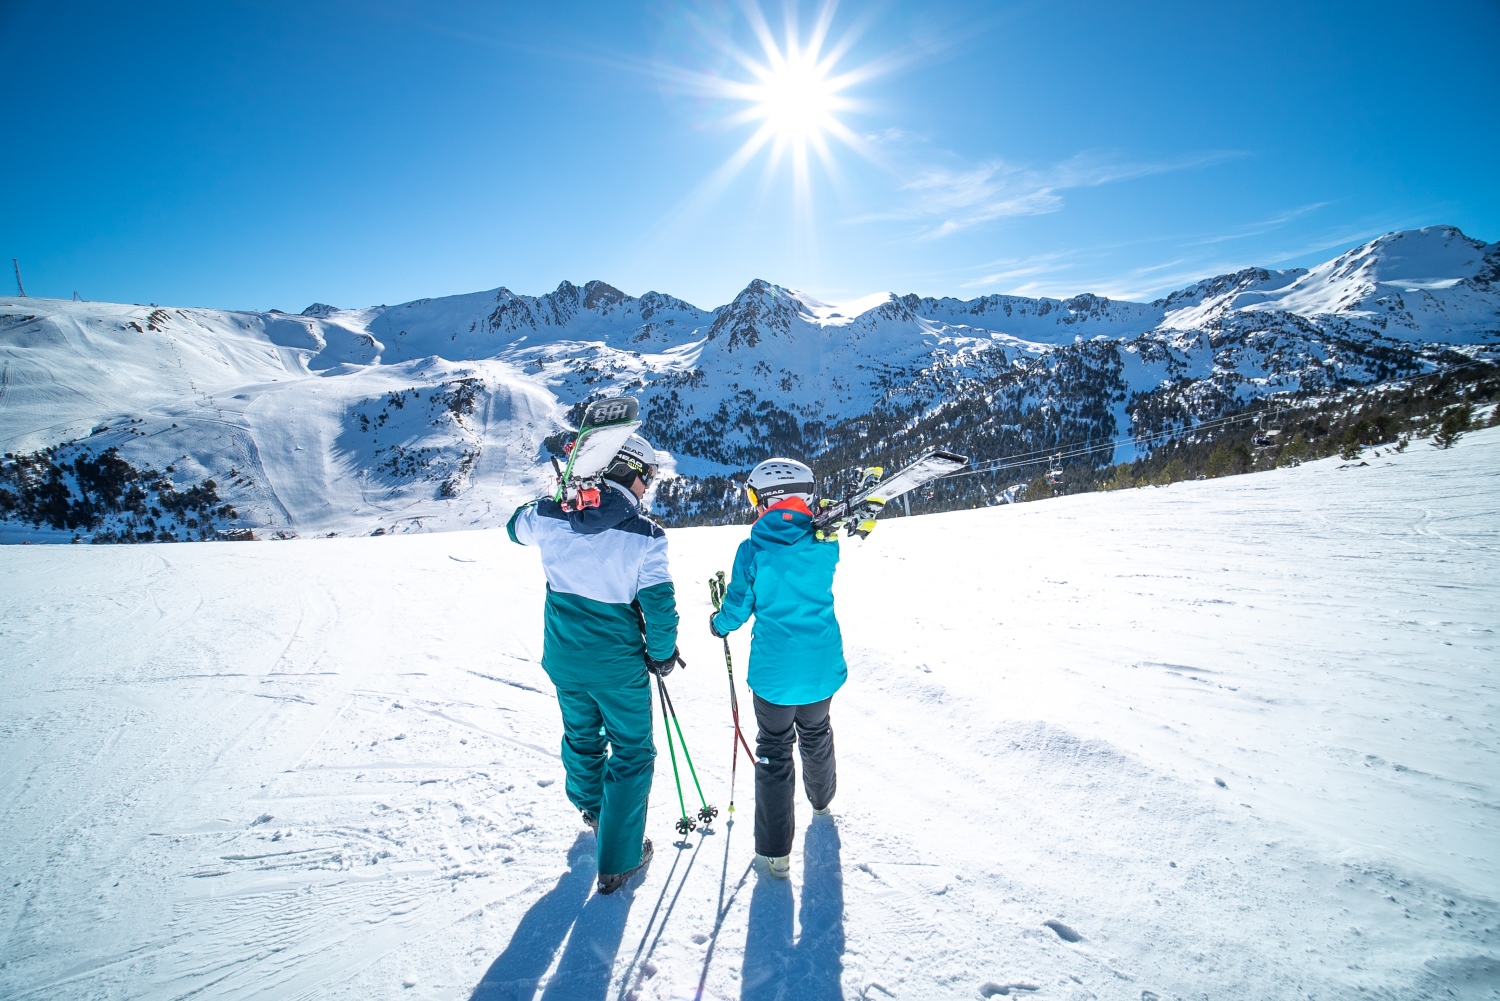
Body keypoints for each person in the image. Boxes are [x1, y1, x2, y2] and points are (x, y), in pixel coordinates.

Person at [507, 433, 683, 894]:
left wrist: (558, 492)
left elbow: (513, 527)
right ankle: (619, 860)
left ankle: (593, 809)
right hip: (617, 666)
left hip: (564, 659)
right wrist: (661, 656)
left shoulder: (549, 517)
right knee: (632, 752)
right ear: (633, 473)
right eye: (648, 479)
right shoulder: (646, 536)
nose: (648, 489)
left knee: (582, 736)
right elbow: (659, 608)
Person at [708, 457, 864, 879]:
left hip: (775, 676)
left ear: (768, 499)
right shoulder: (825, 542)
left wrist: (717, 623)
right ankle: (822, 802)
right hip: (821, 667)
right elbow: (813, 533)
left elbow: (737, 609)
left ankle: (774, 854)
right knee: (816, 732)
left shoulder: (753, 549)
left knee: (775, 751)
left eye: (755, 498)